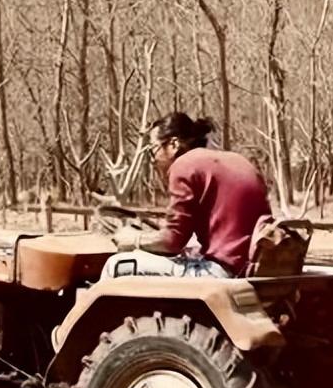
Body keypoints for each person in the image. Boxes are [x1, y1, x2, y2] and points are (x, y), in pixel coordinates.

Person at [102, 112, 272, 279]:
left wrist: (133, 239)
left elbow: (172, 241)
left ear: (173, 144)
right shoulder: (237, 161)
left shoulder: (184, 165)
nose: (153, 160)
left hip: (221, 272)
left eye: (154, 150)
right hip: (255, 267)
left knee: (115, 265)